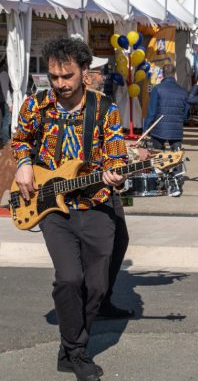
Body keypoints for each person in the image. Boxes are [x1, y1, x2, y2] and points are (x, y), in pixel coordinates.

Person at [12, 37, 127, 381]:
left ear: (84, 72)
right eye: (54, 77)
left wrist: (117, 174)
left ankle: (69, 348)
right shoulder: (36, 104)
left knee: (96, 286)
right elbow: (21, 140)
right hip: (51, 204)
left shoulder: (104, 108)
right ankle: (76, 351)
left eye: (67, 76)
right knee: (69, 278)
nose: (60, 83)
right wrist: (23, 164)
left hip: (95, 202)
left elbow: (116, 154)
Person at [83, 56, 135, 320]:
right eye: (98, 72)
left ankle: (102, 299)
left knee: (119, 240)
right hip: (86, 186)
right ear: (85, 76)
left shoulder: (104, 104)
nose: (103, 77)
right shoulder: (85, 105)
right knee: (99, 246)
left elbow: (108, 142)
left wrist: (129, 150)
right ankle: (91, 301)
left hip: (107, 183)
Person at [144, 64, 188, 196]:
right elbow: (186, 114)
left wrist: (146, 128)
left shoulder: (158, 89)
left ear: (162, 74)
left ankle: (161, 182)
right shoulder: (182, 91)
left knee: (158, 154)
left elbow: (151, 111)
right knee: (176, 156)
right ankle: (176, 183)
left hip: (159, 128)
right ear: (174, 74)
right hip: (176, 128)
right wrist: (180, 120)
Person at [0, 58, 11, 147]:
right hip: (4, 100)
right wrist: (10, 103)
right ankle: (6, 141)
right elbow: (5, 90)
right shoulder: (4, 72)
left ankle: (4, 139)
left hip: (3, 99)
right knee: (6, 120)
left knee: (5, 120)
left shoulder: (3, 71)